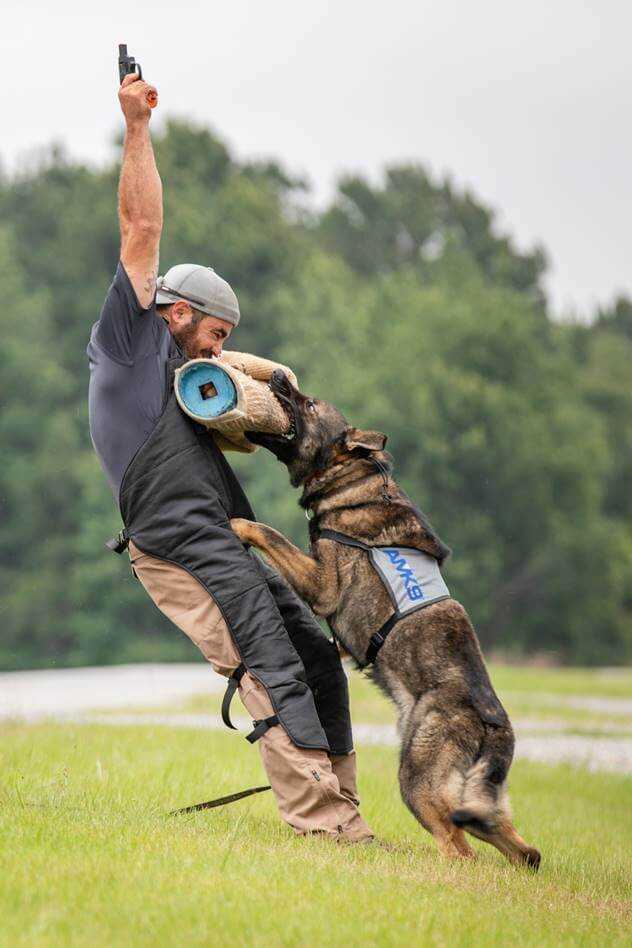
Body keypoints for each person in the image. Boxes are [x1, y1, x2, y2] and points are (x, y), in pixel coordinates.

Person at [86, 71, 373, 842]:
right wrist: (136, 125)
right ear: (177, 312)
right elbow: (141, 232)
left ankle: (346, 809)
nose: (221, 353)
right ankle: (321, 825)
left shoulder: (187, 383)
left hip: (219, 538)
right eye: (216, 336)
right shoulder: (127, 345)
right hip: (176, 550)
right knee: (267, 661)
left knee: (314, 653)